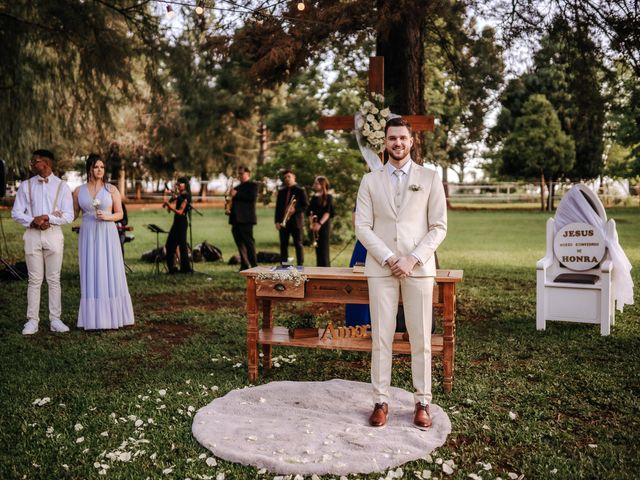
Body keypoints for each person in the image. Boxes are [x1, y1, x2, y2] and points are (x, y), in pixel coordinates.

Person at [355, 117, 447, 428]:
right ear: (385, 142)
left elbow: (439, 227)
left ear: (411, 142)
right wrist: (390, 257)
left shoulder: (431, 178)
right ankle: (380, 401)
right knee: (381, 337)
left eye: (403, 138)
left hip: (419, 270)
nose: (397, 143)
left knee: (420, 337)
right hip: (381, 269)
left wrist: (413, 259)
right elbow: (362, 227)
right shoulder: (370, 181)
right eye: (392, 138)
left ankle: (422, 402)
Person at [12, 149, 74, 335]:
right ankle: (32, 321)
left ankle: (55, 319)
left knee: (54, 279)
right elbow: (16, 213)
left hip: (54, 235)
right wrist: (33, 220)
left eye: (35, 162)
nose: (31, 165)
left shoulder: (62, 186)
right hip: (32, 235)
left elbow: (69, 215)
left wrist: (48, 217)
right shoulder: (25, 185)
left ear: (46, 163)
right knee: (34, 280)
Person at [73, 154, 134, 330]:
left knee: (109, 269)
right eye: (95, 167)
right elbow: (73, 213)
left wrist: (108, 216)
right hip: (88, 232)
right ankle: (93, 319)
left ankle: (113, 316)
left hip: (107, 232)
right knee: (91, 269)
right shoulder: (78, 191)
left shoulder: (111, 190)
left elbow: (120, 214)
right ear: (89, 169)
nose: (99, 170)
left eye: (102, 167)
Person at [274, 169, 308, 266]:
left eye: (289, 176)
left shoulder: (300, 190)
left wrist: (295, 210)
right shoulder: (281, 191)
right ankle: (285, 265)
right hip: (283, 222)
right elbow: (278, 208)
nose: (287, 179)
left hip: (296, 222)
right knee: (283, 245)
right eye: (285, 177)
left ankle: (300, 265)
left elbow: (305, 206)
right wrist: (276, 221)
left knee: (298, 244)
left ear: (294, 177)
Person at [229, 166, 258, 271]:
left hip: (246, 219)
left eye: (241, 173)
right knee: (239, 242)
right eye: (239, 173)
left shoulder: (252, 185)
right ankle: (244, 264)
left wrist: (237, 194)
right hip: (236, 219)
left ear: (248, 174)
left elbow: (252, 198)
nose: (239, 175)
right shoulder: (237, 187)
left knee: (249, 242)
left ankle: (254, 265)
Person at [163, 177, 192, 274]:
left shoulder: (186, 196)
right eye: (177, 184)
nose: (178, 186)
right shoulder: (179, 195)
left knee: (182, 246)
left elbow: (180, 211)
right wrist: (168, 201)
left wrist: (170, 207)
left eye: (180, 184)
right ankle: (172, 269)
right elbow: (167, 207)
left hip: (182, 222)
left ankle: (185, 269)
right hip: (176, 222)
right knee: (170, 245)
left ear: (185, 185)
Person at [307, 176, 335, 267]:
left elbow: (328, 213)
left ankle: (326, 269)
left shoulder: (328, 197)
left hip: (324, 226)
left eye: (316, 183)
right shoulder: (314, 197)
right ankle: (319, 268)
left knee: (324, 249)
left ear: (322, 185)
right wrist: (311, 224)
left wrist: (319, 224)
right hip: (315, 225)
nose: (314, 185)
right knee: (317, 248)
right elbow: (310, 212)